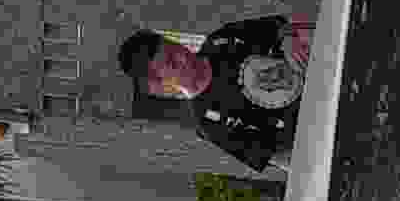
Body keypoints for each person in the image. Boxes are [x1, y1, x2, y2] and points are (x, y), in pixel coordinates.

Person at [121, 13, 313, 175]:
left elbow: (282, 24)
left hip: (321, 74)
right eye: (172, 63)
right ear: (161, 83)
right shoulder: (209, 124)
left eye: (174, 46)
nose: (182, 56)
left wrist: (288, 39)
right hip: (314, 127)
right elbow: (278, 158)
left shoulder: (221, 38)